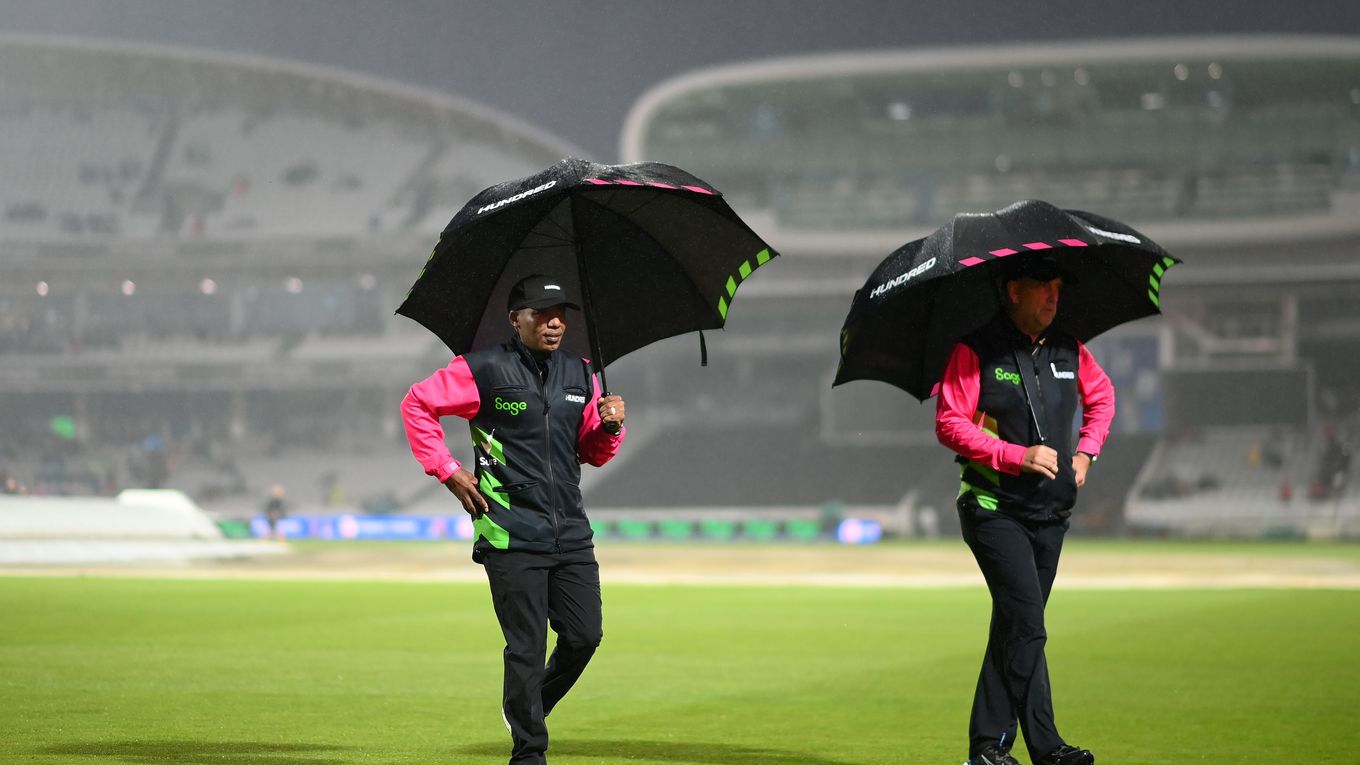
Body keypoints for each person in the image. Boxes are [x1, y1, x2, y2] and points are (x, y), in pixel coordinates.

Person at [401, 274, 626, 765]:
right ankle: (529, 754)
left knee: (584, 636)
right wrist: (448, 469)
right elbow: (417, 403)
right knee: (525, 647)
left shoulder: (581, 373)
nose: (554, 323)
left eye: (561, 315)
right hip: (507, 529)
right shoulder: (479, 369)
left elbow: (592, 453)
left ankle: (529, 707)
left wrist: (610, 427)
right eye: (543, 315)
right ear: (514, 319)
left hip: (570, 530)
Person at [935, 253, 1115, 765]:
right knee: (1028, 625)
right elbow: (950, 423)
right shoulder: (975, 350)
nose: (1055, 296)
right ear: (1014, 290)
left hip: (1051, 513)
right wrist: (1017, 456)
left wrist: (1087, 451)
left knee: (1016, 625)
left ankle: (997, 750)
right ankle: (1026, 747)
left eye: (1059, 286)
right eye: (1043, 287)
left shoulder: (1069, 348)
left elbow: (1103, 399)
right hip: (993, 508)